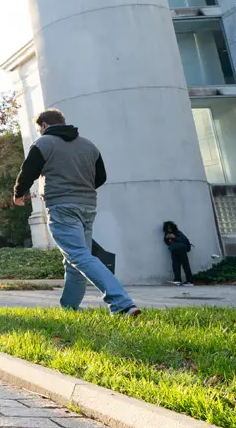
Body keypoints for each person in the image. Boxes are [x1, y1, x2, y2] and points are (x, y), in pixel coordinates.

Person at [13, 108, 141, 316]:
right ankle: (70, 307)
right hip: (88, 206)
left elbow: (28, 171)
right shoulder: (89, 145)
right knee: (75, 258)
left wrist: (19, 193)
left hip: (62, 206)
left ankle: (122, 303)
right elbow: (101, 177)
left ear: (44, 126)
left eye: (39, 129)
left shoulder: (44, 143)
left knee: (79, 256)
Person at [163, 221, 194, 287]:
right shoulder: (167, 234)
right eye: (167, 228)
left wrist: (175, 237)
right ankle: (177, 280)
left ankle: (190, 281)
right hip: (174, 251)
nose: (169, 229)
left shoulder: (178, 233)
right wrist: (166, 238)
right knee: (175, 265)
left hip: (181, 250)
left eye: (170, 227)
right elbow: (167, 243)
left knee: (185, 265)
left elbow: (185, 241)